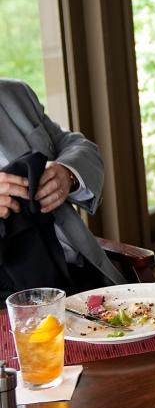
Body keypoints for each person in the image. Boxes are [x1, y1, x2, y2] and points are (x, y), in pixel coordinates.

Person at [0, 79, 125, 298]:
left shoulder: (15, 93)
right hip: (10, 299)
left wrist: (68, 172)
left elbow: (77, 145)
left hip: (80, 272)